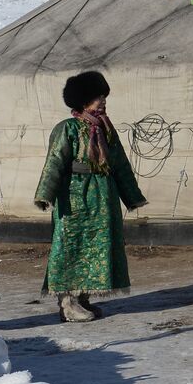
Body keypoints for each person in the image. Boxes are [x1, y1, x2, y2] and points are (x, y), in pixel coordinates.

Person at [34, 71, 148, 323]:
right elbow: (54, 162)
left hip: (103, 197)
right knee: (72, 247)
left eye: (104, 97)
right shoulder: (67, 129)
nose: (103, 101)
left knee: (98, 247)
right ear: (84, 101)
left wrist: (132, 196)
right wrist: (45, 194)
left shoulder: (106, 128)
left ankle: (84, 298)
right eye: (98, 97)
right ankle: (68, 302)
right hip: (75, 196)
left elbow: (119, 163)